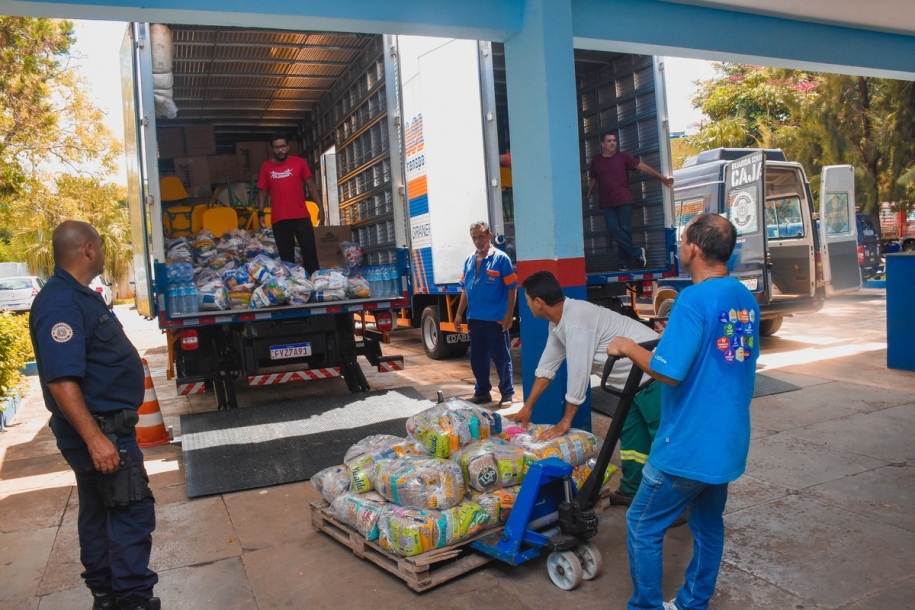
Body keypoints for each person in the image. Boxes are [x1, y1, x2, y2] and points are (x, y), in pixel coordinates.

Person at [606, 213, 760, 610]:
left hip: (687, 445)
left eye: (682, 238)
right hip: (727, 442)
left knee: (642, 524)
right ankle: (693, 603)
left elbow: (667, 372)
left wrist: (627, 346)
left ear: (693, 248)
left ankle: (646, 605)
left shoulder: (692, 299)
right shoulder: (743, 297)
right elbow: (711, 353)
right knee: (708, 525)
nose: (678, 245)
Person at [29, 221, 159, 610]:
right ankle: (131, 600)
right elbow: (61, 379)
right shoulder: (62, 304)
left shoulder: (77, 296)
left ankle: (107, 596)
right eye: (100, 247)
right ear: (88, 250)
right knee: (129, 515)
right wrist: (95, 438)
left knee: (100, 514)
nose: (102, 253)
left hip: (104, 432)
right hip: (102, 435)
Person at [505, 270, 659, 442]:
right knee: (633, 444)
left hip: (652, 380)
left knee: (663, 442)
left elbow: (578, 375)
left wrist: (565, 422)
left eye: (527, 301)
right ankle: (634, 470)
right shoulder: (558, 322)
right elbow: (546, 369)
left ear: (539, 302)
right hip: (630, 388)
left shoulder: (576, 321)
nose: (527, 305)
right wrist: (528, 407)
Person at [586, 131, 674, 270]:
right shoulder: (597, 160)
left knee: (624, 231)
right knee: (614, 229)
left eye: (614, 140)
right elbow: (594, 179)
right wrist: (589, 192)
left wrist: (661, 177)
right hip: (606, 203)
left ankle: (624, 263)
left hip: (623, 200)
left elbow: (642, 166)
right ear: (602, 144)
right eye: (609, 141)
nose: (612, 143)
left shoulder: (623, 157)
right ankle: (637, 252)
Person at [454, 221, 517, 407]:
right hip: (475, 318)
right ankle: (482, 392)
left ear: (489, 236)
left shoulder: (501, 259)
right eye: (474, 237)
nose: (478, 241)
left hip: (495, 319)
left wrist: (509, 315)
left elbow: (512, 288)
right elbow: (465, 290)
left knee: (501, 358)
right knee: (477, 359)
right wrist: (459, 314)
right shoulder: (469, 260)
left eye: (481, 236)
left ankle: (507, 394)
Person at [257, 134, 325, 274]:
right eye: (276, 147)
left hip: (301, 216)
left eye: (282, 146)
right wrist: (260, 213)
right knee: (287, 258)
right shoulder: (266, 167)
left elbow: (311, 186)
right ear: (272, 149)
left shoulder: (299, 162)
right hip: (279, 219)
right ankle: (292, 287)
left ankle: (316, 280)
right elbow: (262, 192)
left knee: (309, 252)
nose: (280, 150)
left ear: (288, 147)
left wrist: (321, 208)